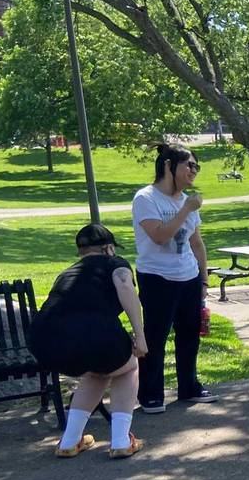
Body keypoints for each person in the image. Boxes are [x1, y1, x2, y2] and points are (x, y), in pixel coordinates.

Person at [31, 224, 146, 458]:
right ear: (109, 248)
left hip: (43, 339)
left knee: (98, 372)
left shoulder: (68, 273)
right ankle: (122, 440)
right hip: (92, 334)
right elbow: (124, 284)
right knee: (128, 368)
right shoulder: (115, 263)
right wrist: (140, 336)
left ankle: (70, 441)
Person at [132, 143, 216, 413]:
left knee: (190, 334)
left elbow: (197, 243)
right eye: (189, 165)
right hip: (157, 277)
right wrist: (186, 210)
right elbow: (159, 236)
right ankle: (151, 393)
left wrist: (203, 280)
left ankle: (188, 387)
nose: (194, 171)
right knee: (156, 337)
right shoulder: (146, 198)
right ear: (169, 166)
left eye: (196, 167)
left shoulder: (186, 201)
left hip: (188, 277)